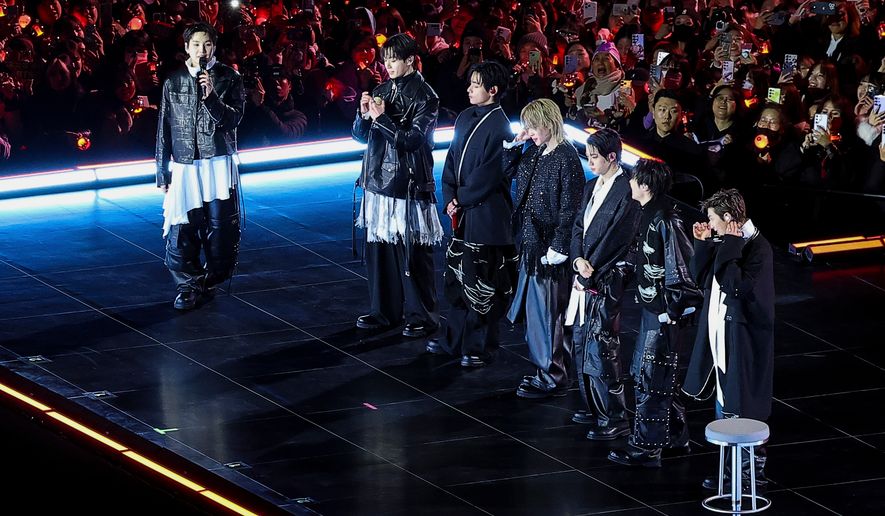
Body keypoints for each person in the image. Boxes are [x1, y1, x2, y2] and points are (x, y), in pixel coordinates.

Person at [608, 159, 701, 467]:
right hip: (655, 309)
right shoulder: (649, 213)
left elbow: (680, 268)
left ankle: (647, 447)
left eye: (634, 180)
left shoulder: (665, 218)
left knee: (651, 376)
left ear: (645, 185)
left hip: (662, 313)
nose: (630, 184)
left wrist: (670, 309)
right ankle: (676, 436)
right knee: (661, 375)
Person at [683, 188, 774, 490]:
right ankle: (730, 470)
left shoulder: (757, 248)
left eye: (711, 220)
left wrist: (730, 244)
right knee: (725, 401)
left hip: (743, 339)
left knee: (742, 402)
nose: (709, 225)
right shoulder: (728, 241)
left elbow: (735, 285)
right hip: (719, 333)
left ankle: (750, 473)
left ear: (727, 217)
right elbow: (701, 277)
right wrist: (703, 244)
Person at [353, 33, 443, 338]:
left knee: (414, 252)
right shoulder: (381, 88)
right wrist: (363, 114)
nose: (388, 64)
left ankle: (424, 314)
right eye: (386, 58)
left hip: (409, 181)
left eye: (394, 59)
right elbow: (360, 136)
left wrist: (381, 119)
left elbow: (411, 140)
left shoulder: (425, 95)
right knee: (379, 248)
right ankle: (384, 311)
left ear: (410, 60)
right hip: (378, 179)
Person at [430, 61, 518, 366]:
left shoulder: (501, 126)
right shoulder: (466, 117)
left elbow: (490, 174)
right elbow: (452, 159)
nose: (469, 89)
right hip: (464, 211)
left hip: (486, 215)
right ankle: (452, 340)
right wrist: (450, 195)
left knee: (482, 283)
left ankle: (479, 347)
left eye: (476, 84)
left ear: (492, 90)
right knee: (456, 279)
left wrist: (462, 198)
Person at [156, 22, 245, 310]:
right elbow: (164, 128)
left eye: (207, 44)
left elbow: (233, 120)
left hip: (217, 160)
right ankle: (187, 284)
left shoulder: (228, 77)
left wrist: (211, 97)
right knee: (183, 225)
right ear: (186, 47)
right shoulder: (174, 81)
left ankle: (210, 280)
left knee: (220, 227)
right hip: (184, 162)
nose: (201, 50)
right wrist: (161, 170)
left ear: (214, 47)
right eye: (196, 44)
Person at [506, 98, 585, 396]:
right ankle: (556, 371)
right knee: (543, 314)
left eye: (533, 126)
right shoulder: (535, 152)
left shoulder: (566, 158)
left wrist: (560, 245)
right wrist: (516, 144)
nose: (529, 131)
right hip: (530, 243)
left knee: (548, 315)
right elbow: (508, 172)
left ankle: (552, 375)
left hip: (550, 250)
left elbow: (570, 209)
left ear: (549, 124)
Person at [565, 128, 640, 438]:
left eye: (594, 156)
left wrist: (590, 268)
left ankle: (614, 415)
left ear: (612, 157)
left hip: (606, 277)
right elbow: (578, 225)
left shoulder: (627, 190)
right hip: (585, 273)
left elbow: (618, 238)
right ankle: (591, 405)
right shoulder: (592, 185)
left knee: (601, 346)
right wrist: (577, 258)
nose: (589, 160)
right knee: (582, 340)